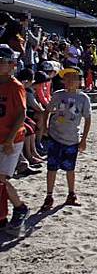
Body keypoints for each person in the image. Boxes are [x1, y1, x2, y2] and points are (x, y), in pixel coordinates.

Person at [40, 67, 91, 211]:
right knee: (51, 168)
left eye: (73, 78)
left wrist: (84, 139)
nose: (69, 81)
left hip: (72, 139)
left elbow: (87, 119)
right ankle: (49, 196)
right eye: (66, 78)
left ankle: (71, 194)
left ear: (79, 81)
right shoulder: (57, 95)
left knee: (70, 168)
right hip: (55, 137)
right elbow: (47, 112)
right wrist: (45, 128)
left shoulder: (83, 98)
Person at [0, 44, 31, 233]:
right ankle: (2, 216)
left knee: (1, 178)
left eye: (2, 61)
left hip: (12, 139)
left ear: (12, 65)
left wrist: (10, 139)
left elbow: (21, 114)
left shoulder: (15, 86)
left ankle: (20, 208)